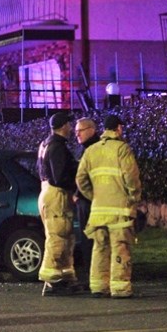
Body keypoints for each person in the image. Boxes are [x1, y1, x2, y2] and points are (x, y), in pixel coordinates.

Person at [75, 115, 142, 299]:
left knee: (99, 248)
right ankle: (120, 288)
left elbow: (80, 179)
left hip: (98, 211)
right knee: (120, 247)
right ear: (118, 129)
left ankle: (98, 286)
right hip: (119, 210)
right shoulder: (122, 149)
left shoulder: (91, 151)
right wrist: (134, 197)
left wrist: (93, 196)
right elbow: (131, 177)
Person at [37, 112, 79, 296]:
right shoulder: (58, 147)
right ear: (63, 126)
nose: (71, 127)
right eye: (69, 124)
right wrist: (75, 187)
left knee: (64, 237)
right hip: (56, 194)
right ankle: (52, 282)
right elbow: (60, 176)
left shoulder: (46, 144)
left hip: (48, 192)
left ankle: (64, 278)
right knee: (57, 237)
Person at [73, 118, 100, 276]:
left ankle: (92, 274)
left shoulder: (92, 149)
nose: (77, 134)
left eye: (80, 131)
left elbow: (84, 178)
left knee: (89, 239)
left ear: (91, 129)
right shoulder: (85, 148)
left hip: (89, 201)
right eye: (76, 131)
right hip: (87, 199)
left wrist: (80, 194)